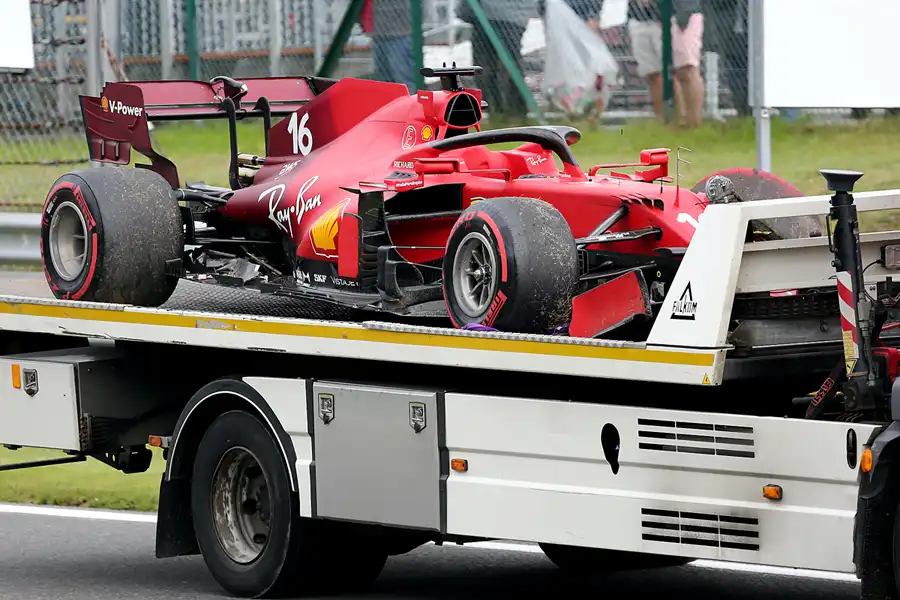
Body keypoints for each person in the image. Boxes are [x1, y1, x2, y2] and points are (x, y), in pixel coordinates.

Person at [627, 0, 705, 128]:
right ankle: (667, 122)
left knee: (686, 70)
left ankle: (692, 123)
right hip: (641, 17)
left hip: (680, 13)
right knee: (653, 74)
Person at [458, 0, 537, 117]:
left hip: (498, 14)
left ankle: (501, 108)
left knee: (492, 65)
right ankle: (505, 109)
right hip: (500, 15)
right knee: (501, 64)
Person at [367, 0, 415, 92]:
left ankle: (411, 104)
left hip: (400, 32)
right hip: (379, 33)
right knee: (383, 82)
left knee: (404, 80)